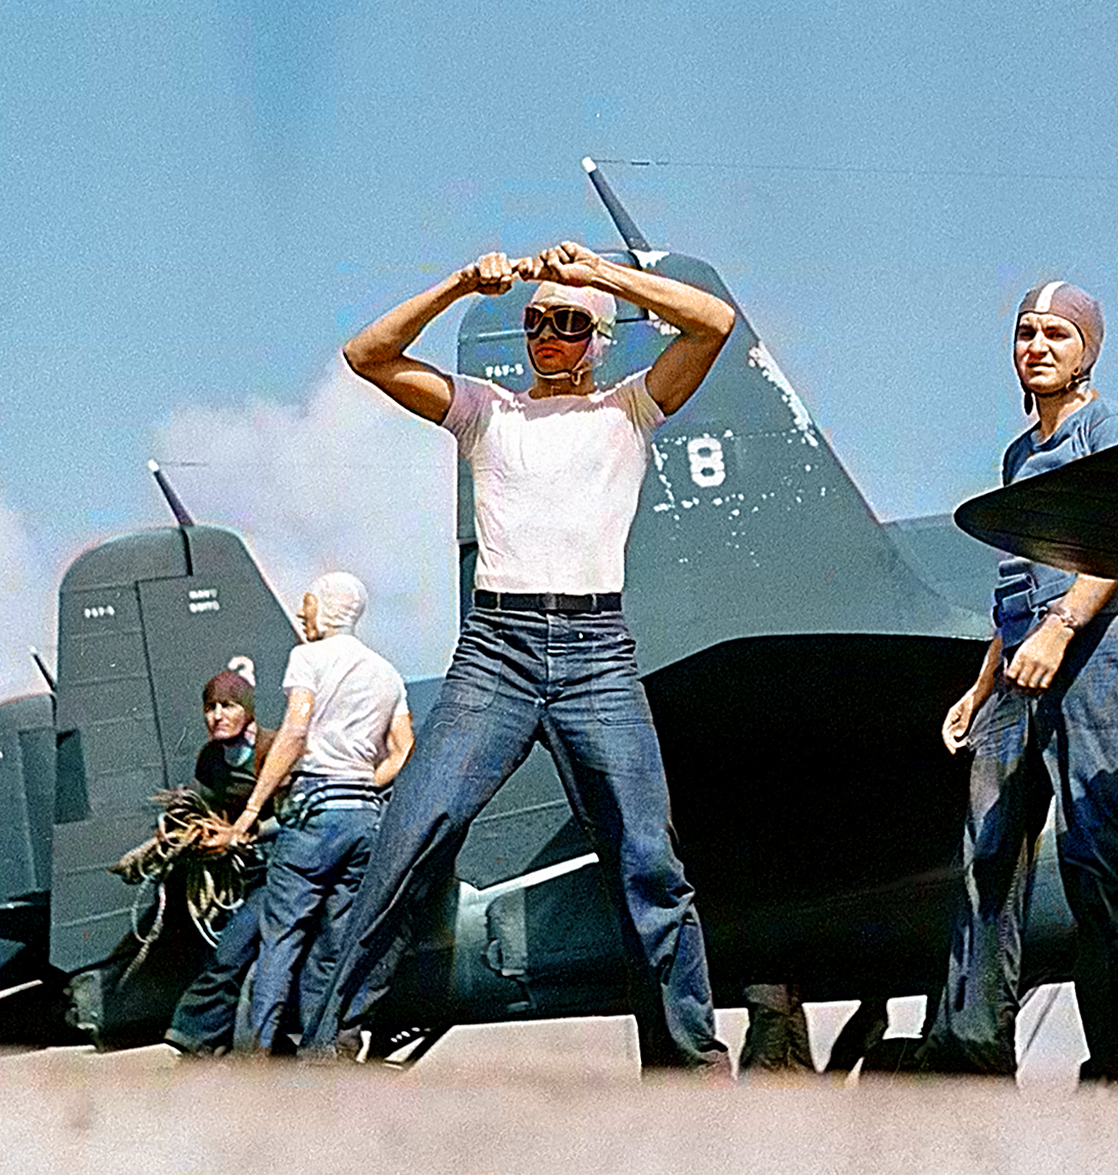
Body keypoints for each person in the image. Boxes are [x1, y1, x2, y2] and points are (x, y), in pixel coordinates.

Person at [302, 240, 736, 1070]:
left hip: (596, 655)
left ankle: (687, 1061)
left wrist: (600, 276)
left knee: (647, 852)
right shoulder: (485, 411)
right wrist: (461, 282)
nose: (551, 336)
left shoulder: (629, 410)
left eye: (570, 324)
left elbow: (712, 322)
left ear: (600, 339)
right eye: (538, 322)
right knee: (415, 829)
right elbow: (368, 355)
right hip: (494, 653)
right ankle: (330, 1041)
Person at [919, 280, 1118, 1081]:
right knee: (987, 851)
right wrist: (982, 684)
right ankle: (972, 1045)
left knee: (1101, 850)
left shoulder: (1108, 425)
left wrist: (1064, 627)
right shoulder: (1018, 454)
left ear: (1087, 350)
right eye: (1026, 332)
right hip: (1022, 661)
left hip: (1098, 647)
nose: (1036, 346)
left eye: (1057, 335)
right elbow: (1013, 587)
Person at [214, 570, 414, 1052]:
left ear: (324, 609)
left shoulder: (308, 658)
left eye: (306, 606)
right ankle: (321, 1052)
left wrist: (251, 812)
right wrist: (364, 784)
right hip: (365, 819)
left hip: (314, 817)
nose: (302, 615)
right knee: (333, 944)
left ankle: (256, 1053)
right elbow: (404, 748)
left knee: (281, 938)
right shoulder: (386, 672)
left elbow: (295, 731)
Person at [163, 668, 281, 1054]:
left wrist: (246, 833)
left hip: (281, 870)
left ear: (247, 711)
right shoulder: (211, 759)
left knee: (230, 954)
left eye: (228, 706)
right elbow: (209, 804)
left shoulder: (272, 750)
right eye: (210, 707)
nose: (217, 715)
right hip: (242, 874)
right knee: (228, 952)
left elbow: (296, 815)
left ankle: (193, 1039)